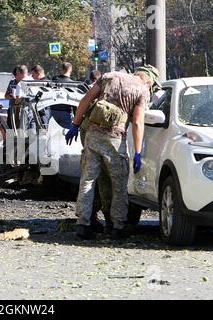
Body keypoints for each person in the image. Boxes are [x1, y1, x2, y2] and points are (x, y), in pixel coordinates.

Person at [65, 66, 159, 240]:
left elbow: (86, 99)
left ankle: (83, 224)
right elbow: (138, 122)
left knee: (88, 180)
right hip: (115, 140)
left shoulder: (110, 77)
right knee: (119, 185)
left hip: (92, 135)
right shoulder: (142, 90)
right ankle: (117, 226)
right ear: (149, 80)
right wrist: (137, 152)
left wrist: (75, 124)